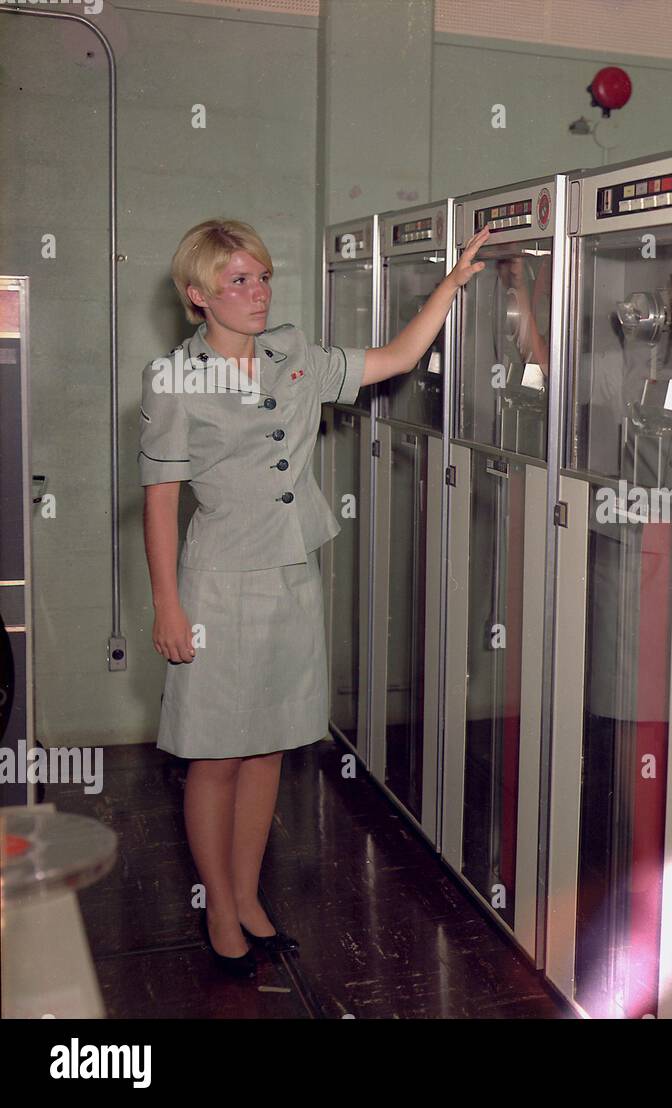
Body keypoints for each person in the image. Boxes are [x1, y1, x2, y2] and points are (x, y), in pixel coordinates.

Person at [140, 217, 490, 977]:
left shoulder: (293, 352)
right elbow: (161, 500)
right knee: (215, 755)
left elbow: (395, 358)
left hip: (291, 575)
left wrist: (450, 288)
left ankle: (249, 896)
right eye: (238, 280)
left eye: (263, 276)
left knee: (268, 746)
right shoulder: (175, 377)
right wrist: (168, 604)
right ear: (198, 296)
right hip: (218, 586)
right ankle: (220, 911)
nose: (258, 291)